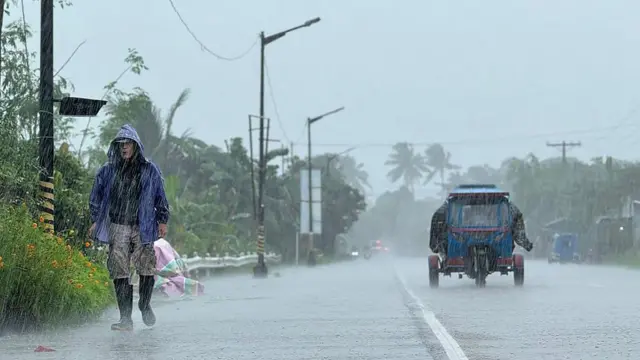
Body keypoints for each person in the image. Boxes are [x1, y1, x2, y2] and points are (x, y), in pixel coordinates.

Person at [89, 124, 170, 331]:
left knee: (146, 266)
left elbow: (160, 195)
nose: (124, 147)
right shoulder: (108, 171)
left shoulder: (149, 169)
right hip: (118, 224)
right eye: (120, 144)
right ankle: (125, 318)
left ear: (135, 146)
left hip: (143, 225)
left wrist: (162, 220)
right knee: (119, 269)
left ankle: (144, 304)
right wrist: (95, 219)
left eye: (127, 143)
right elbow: (96, 196)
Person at [429, 200, 533, 257]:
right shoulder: (448, 215)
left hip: (491, 236)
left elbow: (516, 226)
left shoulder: (504, 213)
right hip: (465, 236)